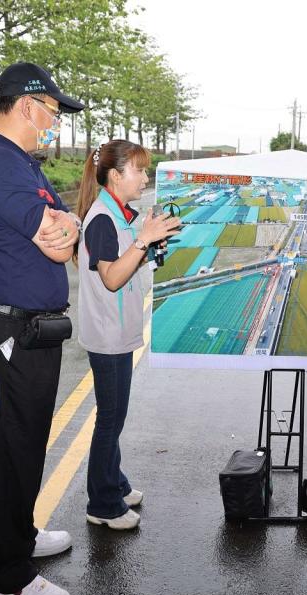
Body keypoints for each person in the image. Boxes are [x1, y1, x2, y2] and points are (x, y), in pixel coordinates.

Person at [0, 62, 85, 595]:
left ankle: (22, 538)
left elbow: (66, 227)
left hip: (30, 331)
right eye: (53, 113)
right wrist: (64, 228)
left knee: (29, 442)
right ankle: (10, 576)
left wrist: (65, 226)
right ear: (28, 106)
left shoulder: (17, 162)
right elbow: (59, 241)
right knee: (11, 450)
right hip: (9, 329)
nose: (53, 125)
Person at [75, 140, 181, 529]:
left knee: (114, 415)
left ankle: (114, 481)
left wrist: (150, 244)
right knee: (110, 419)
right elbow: (113, 276)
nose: (146, 177)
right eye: (139, 170)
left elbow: (131, 262)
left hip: (118, 329)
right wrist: (142, 241)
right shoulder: (103, 217)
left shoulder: (122, 214)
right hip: (107, 333)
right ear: (116, 176)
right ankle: (102, 504)